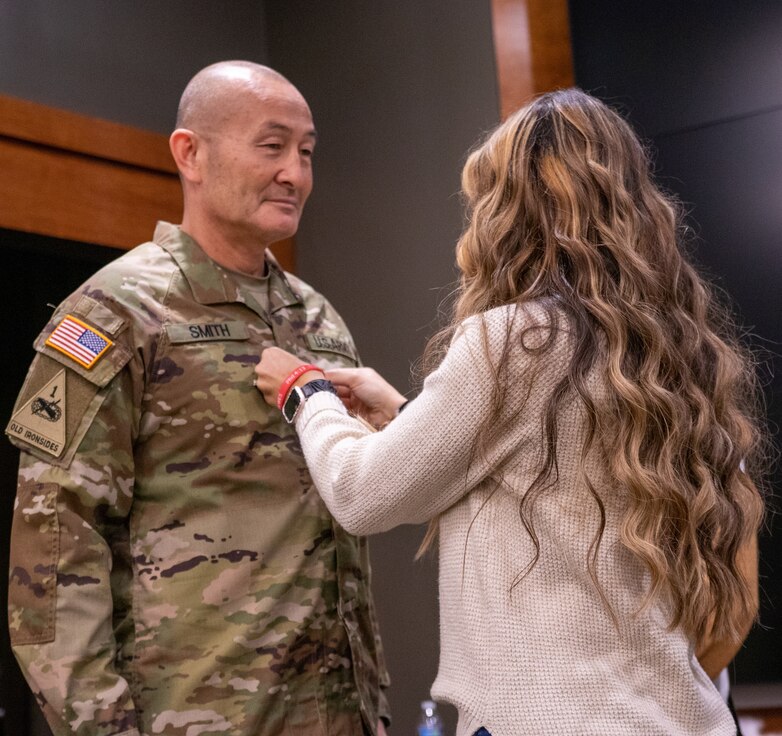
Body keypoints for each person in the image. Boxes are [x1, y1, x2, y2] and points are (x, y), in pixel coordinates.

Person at [254, 89, 765, 735]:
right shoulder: (683, 361)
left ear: (505, 212)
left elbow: (363, 494)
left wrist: (305, 392)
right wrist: (407, 413)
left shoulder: (514, 342)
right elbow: (544, 476)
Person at [6, 61, 390, 736]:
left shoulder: (319, 322)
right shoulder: (115, 312)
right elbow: (54, 556)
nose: (295, 174)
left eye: (306, 153)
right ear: (191, 153)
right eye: (271, 147)